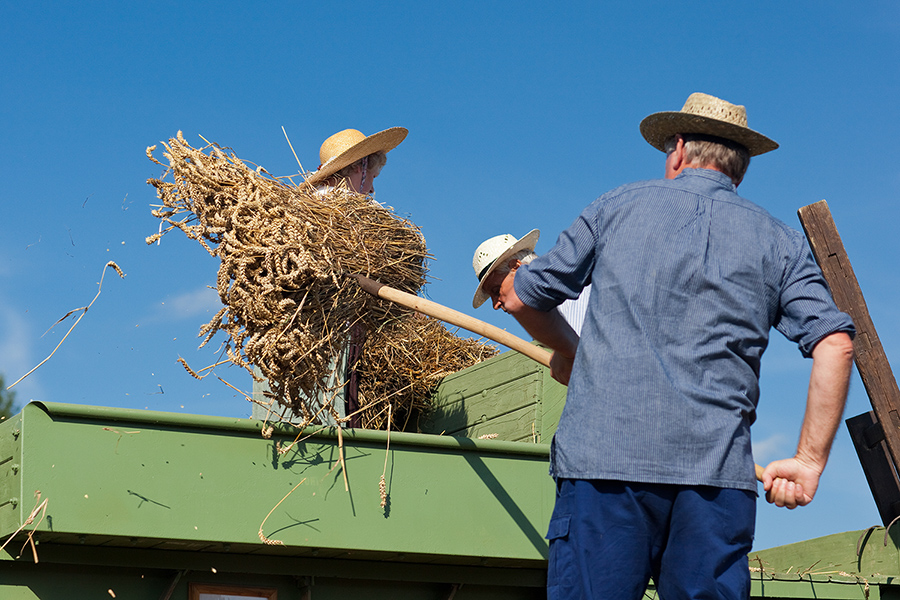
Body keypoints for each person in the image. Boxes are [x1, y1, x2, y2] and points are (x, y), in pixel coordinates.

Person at [482, 93, 856, 599]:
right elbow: (836, 343)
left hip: (603, 471)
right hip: (717, 480)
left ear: (678, 149)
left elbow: (524, 297)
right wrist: (809, 461)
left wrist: (571, 352)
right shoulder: (781, 243)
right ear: (738, 169)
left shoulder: (617, 207)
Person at [252, 127, 408, 427]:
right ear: (357, 169)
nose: (372, 189)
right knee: (341, 400)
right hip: (332, 328)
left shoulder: (306, 208)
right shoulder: (341, 214)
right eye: (371, 178)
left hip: (304, 330)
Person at [472, 229, 591, 335]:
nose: (495, 305)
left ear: (516, 267)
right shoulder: (543, 328)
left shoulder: (585, 295)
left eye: (496, 291)